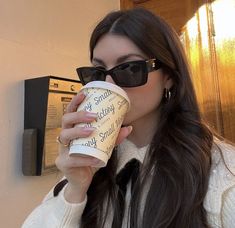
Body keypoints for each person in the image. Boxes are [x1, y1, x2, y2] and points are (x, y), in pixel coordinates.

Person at [22, 8, 235, 228]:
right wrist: (75, 188)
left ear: (169, 77)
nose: (109, 84)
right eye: (98, 72)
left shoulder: (223, 180)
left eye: (130, 68)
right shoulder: (91, 165)